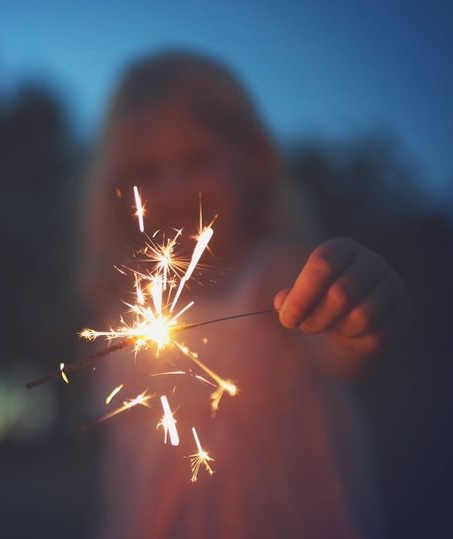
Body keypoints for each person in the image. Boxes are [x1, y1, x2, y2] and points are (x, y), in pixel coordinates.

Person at [78, 51, 412, 538]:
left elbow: (342, 347)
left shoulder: (278, 273)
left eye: (198, 159)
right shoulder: (120, 313)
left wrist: (356, 313)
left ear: (254, 161)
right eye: (147, 170)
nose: (173, 189)